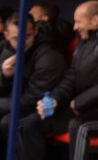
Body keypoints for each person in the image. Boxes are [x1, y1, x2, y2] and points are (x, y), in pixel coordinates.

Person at [16, 0, 98, 160]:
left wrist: (79, 102)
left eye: (78, 22)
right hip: (82, 109)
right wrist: (55, 99)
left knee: (79, 126)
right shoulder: (84, 41)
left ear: (95, 20)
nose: (74, 27)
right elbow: (72, 75)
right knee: (31, 122)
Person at [0, 13, 67, 152]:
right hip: (23, 102)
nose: (22, 41)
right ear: (6, 35)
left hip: (47, 107)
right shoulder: (7, 50)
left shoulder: (49, 56)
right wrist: (5, 76)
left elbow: (33, 98)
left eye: (27, 35)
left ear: (35, 31)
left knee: (10, 122)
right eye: (16, 38)